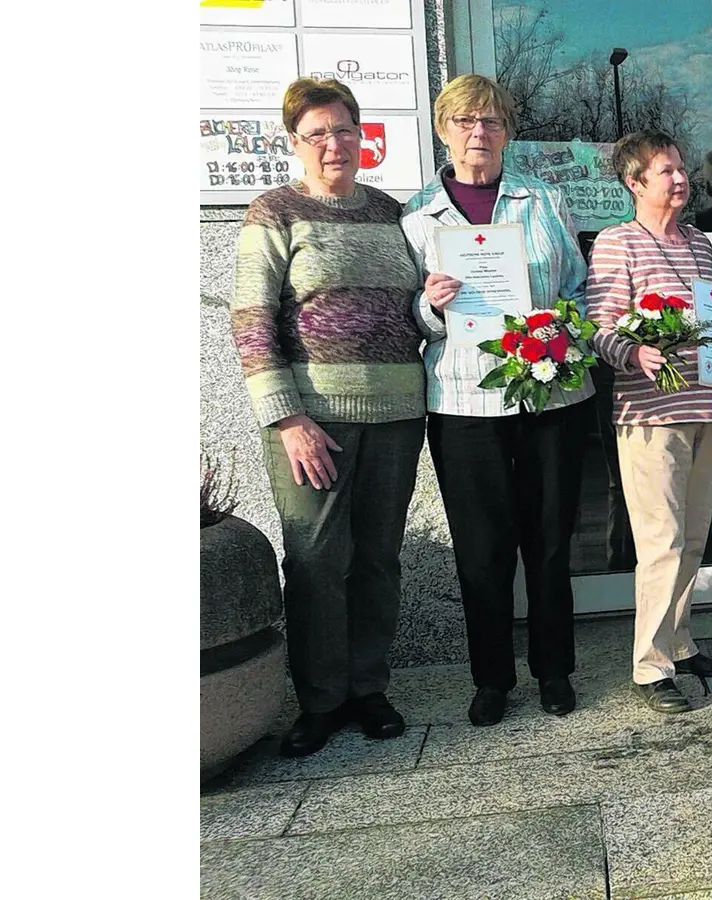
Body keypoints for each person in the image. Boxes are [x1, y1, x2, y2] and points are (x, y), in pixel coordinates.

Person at [230, 78, 425, 757]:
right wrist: (287, 420)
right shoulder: (274, 212)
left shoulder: (392, 213)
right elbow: (252, 324)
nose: (334, 144)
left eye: (344, 129)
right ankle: (320, 701)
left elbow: (423, 307)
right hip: (313, 422)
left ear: (362, 134)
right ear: (295, 143)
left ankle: (369, 690)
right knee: (314, 561)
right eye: (317, 134)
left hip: (399, 415)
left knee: (377, 559)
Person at [399, 74, 589, 727]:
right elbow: (407, 319)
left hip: (553, 395)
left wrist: (566, 327)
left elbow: (580, 289)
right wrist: (432, 305)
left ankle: (554, 669)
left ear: (507, 130)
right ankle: (491, 679)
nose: (478, 133)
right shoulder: (417, 216)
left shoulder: (545, 200)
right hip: (463, 402)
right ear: (443, 129)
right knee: (481, 548)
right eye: (464, 121)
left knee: (551, 539)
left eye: (491, 121)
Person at [586, 130, 712, 714]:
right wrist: (633, 353)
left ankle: (681, 643)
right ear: (635, 183)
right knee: (662, 541)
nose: (681, 180)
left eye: (682, 169)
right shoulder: (616, 244)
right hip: (650, 414)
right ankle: (650, 665)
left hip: (708, 405)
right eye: (666, 171)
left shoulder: (701, 246)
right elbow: (597, 326)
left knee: (694, 539)